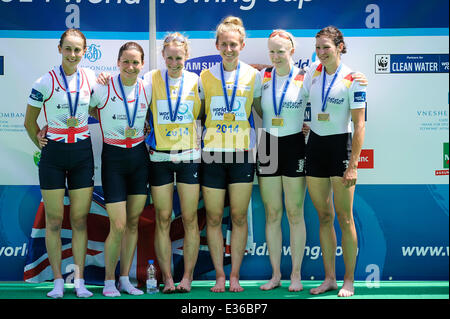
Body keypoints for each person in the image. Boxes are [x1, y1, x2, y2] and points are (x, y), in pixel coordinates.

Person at [24, 28, 96, 298]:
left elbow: (100, 106)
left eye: (78, 49)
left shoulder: (91, 78)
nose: (73, 54)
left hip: (82, 153)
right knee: (54, 221)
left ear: (84, 52)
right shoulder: (44, 81)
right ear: (59, 49)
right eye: (68, 48)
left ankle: (79, 281)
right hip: (53, 155)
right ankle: (56, 281)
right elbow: (29, 122)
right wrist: (39, 143)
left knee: (78, 220)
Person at [199, 16, 262, 293]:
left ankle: (234, 274)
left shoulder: (253, 75)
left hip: (241, 154)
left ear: (242, 45)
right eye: (224, 44)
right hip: (212, 153)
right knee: (213, 219)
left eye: (233, 44)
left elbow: (264, 110)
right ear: (216, 45)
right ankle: (219, 275)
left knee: (238, 217)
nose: (228, 49)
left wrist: (298, 123)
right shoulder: (204, 77)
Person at [302, 26, 367, 297]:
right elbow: (283, 80)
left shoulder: (354, 78)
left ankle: (348, 280)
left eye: (326, 47)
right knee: (324, 216)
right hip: (315, 146)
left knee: (345, 218)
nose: (321, 53)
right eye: (317, 48)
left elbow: (360, 124)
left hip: (341, 146)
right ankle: (329, 278)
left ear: (340, 46)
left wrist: (353, 164)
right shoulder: (311, 75)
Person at [89, 42, 151, 297]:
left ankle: (125, 279)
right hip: (113, 158)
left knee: (133, 223)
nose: (130, 66)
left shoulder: (148, 86)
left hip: (139, 157)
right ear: (117, 62)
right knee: (118, 224)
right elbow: (82, 108)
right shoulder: (102, 86)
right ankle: (108, 281)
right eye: (126, 61)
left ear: (142, 64)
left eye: (135, 62)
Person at [144, 32, 201, 293]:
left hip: (189, 156)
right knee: (163, 218)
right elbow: (125, 90)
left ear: (187, 56)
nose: (174, 63)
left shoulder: (197, 81)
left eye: (179, 58)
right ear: (163, 56)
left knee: (189, 219)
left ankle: (186, 278)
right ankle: (167, 279)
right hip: (159, 157)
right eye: (169, 58)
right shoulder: (150, 79)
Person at [253, 30, 309, 292]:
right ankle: (276, 275)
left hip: (294, 143)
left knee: (294, 212)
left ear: (292, 51)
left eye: (281, 51)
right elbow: (256, 105)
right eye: (272, 51)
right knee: (273, 213)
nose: (275, 56)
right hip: (268, 144)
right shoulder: (261, 76)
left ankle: (296, 274)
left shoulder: (305, 76)